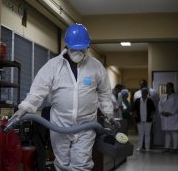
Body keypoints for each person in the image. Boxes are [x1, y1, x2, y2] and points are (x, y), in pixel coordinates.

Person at [13, 23, 114, 170]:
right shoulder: (53, 66)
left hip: (86, 125)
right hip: (59, 124)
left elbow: (104, 92)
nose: (78, 52)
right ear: (67, 46)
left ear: (87, 46)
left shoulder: (96, 67)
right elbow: (37, 91)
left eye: (81, 48)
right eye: (74, 48)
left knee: (81, 165)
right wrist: (23, 109)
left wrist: (108, 113)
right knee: (62, 165)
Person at [158, 82, 178, 153]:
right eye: (167, 87)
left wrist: (171, 113)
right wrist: (162, 112)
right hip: (164, 116)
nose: (167, 88)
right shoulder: (163, 96)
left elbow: (177, 106)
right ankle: (167, 148)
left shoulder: (175, 97)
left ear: (172, 88)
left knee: (174, 132)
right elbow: (159, 105)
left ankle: (175, 148)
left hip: (172, 117)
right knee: (167, 133)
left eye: (169, 87)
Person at [133, 87, 156, 152]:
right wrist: (135, 116)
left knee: (147, 134)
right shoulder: (137, 101)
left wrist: (151, 116)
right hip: (139, 120)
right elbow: (133, 109)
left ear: (147, 93)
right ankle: (140, 147)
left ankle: (147, 148)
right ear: (141, 93)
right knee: (140, 134)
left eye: (145, 93)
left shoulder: (150, 101)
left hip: (148, 120)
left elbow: (153, 110)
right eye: (143, 92)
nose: (144, 94)